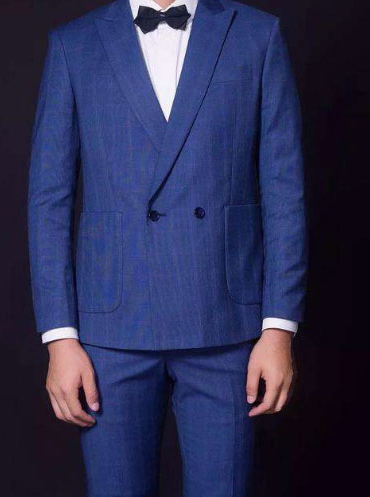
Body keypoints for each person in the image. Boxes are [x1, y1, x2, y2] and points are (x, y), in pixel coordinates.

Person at [28, 0, 307, 495]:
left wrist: (279, 328)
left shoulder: (257, 36)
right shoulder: (74, 45)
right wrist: (60, 338)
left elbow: (284, 193)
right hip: (109, 334)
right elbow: (49, 202)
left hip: (227, 328)